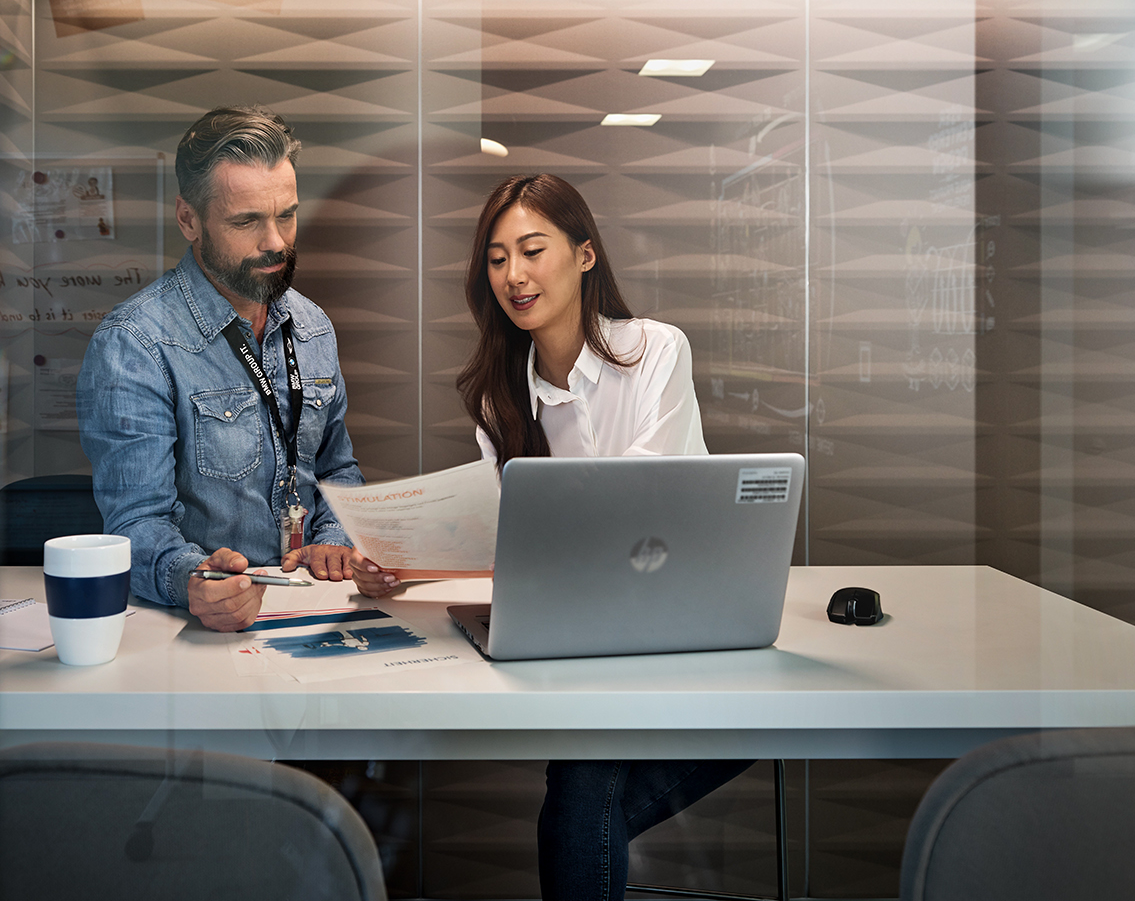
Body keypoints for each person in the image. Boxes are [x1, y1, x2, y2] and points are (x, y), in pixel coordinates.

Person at [356, 173, 753, 899]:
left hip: (678, 628)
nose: (514, 274)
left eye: (533, 250)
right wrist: (407, 562)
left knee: (581, 779)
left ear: (586, 255)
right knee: (584, 780)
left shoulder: (656, 351)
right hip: (578, 640)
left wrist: (541, 545)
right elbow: (505, 540)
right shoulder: (496, 392)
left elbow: (644, 517)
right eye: (498, 258)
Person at [77, 106, 366, 632]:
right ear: (189, 219)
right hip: (195, 623)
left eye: (286, 215)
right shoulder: (134, 343)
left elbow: (336, 471)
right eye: (247, 221)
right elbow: (136, 524)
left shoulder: (313, 326)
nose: (275, 241)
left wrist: (333, 539)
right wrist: (194, 580)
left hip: (312, 609)